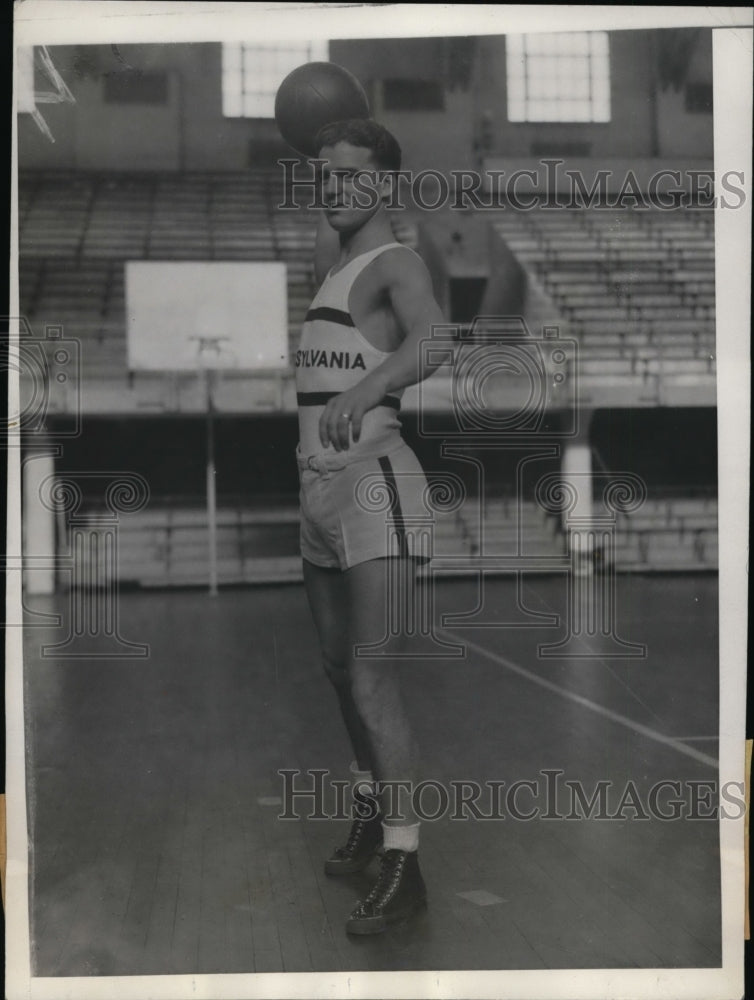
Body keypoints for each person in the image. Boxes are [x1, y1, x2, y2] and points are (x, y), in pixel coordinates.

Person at [294, 118, 446, 935]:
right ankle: (368, 809)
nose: (334, 186)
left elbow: (436, 340)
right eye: (324, 174)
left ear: (384, 184)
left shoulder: (396, 264)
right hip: (316, 491)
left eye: (352, 176)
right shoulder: (332, 259)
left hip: (376, 486)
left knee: (371, 680)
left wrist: (369, 388)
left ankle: (406, 862)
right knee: (332, 668)